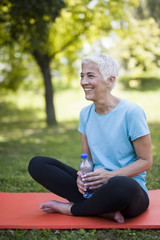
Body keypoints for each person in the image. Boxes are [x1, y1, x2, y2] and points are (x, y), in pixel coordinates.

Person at [28, 52, 153, 223]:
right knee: (38, 164)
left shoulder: (132, 112)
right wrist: (82, 176)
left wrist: (110, 176)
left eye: (90, 76)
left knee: (122, 185)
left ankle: (71, 209)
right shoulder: (85, 114)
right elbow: (88, 160)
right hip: (94, 188)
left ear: (110, 80)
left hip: (126, 191)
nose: (84, 82)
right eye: (82, 76)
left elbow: (146, 161)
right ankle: (102, 210)